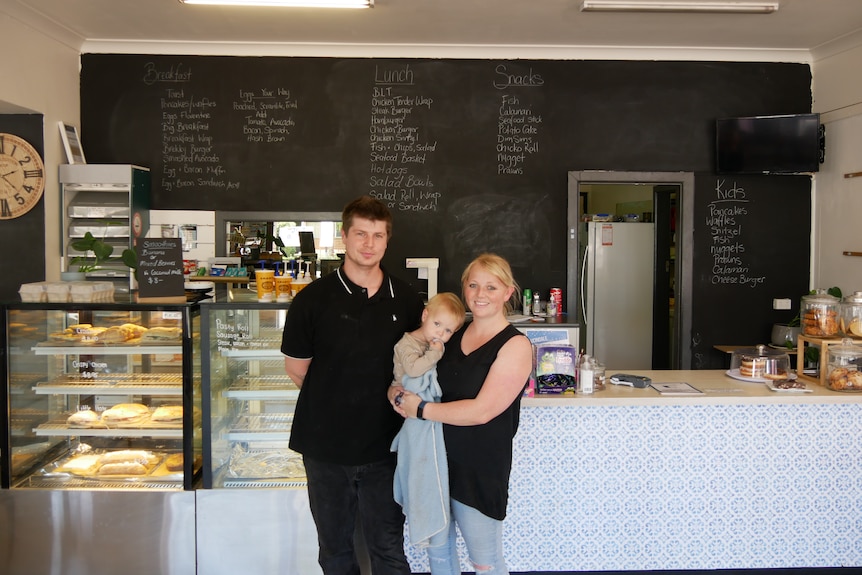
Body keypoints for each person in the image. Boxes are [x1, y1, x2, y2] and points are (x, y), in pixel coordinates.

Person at [281, 195, 425, 575]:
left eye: (378, 236)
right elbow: (296, 369)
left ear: (387, 241)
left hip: (387, 448)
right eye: (360, 234)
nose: (368, 244)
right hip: (325, 449)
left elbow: (416, 366)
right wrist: (337, 398)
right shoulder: (311, 301)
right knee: (335, 552)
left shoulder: (407, 300)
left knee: (388, 550)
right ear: (345, 237)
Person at [389, 253, 533, 575]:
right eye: (473, 285)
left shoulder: (515, 346)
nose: (480, 294)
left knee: (485, 563)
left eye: (491, 287)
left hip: (479, 468)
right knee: (439, 557)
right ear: (464, 289)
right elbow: (414, 375)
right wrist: (395, 392)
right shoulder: (451, 336)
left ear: (508, 292)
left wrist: (422, 410)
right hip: (436, 464)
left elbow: (482, 411)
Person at [390, 293, 466, 550]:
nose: (441, 334)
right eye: (437, 325)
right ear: (425, 316)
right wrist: (435, 353)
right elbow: (413, 371)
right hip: (412, 403)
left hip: (425, 408)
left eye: (448, 331)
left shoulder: (434, 345)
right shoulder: (407, 344)